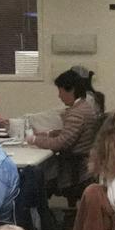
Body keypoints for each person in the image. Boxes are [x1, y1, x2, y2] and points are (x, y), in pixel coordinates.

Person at [32, 67, 103, 199]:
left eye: (60, 91)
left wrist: (34, 139)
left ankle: (38, 210)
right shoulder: (84, 107)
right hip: (81, 165)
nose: (59, 96)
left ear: (71, 90)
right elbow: (72, 134)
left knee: (34, 174)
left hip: (74, 169)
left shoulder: (77, 113)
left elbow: (60, 144)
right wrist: (50, 134)